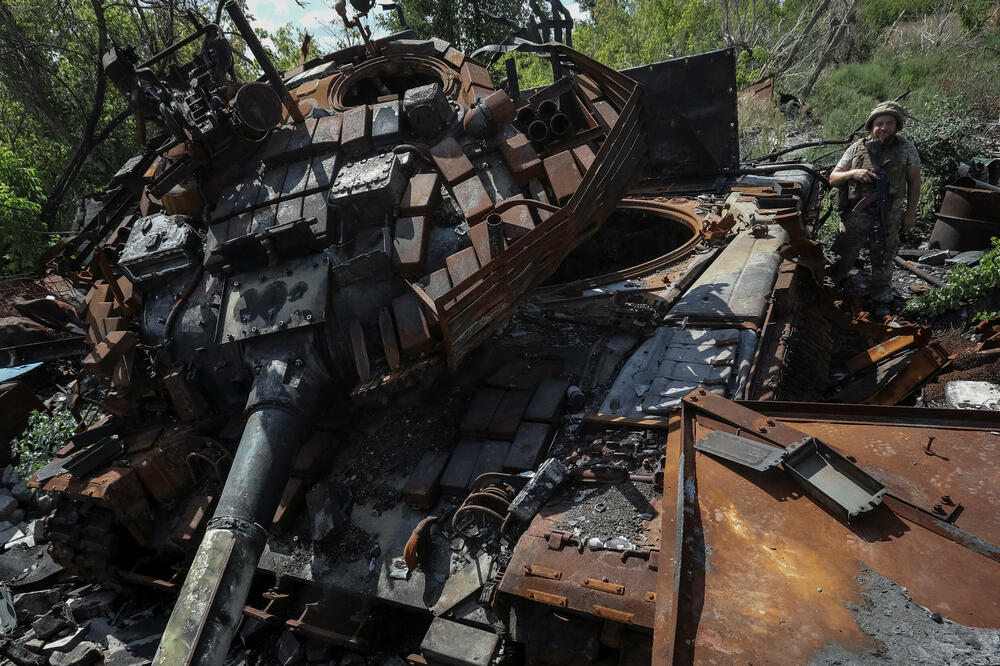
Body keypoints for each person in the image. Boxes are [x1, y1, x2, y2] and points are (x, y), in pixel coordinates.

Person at [829, 101, 921, 303]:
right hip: (857, 214)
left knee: (884, 254)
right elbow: (833, 178)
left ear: (897, 126)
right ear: (871, 126)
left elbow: (915, 182)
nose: (884, 128)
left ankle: (881, 295)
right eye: (879, 123)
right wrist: (854, 173)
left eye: (889, 123)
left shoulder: (906, 148)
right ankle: (834, 287)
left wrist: (910, 214)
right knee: (845, 253)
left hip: (889, 212)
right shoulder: (857, 148)